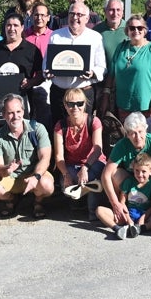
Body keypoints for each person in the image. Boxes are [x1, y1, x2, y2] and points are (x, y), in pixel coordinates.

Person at [0, 94, 56, 218]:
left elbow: (45, 158)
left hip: (33, 174)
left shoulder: (38, 129)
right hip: (11, 177)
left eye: (18, 111)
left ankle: (38, 202)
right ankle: (12, 199)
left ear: (24, 111)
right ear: (3, 115)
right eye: (10, 113)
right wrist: (6, 169)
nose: (15, 116)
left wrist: (35, 176)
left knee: (47, 186)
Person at [101, 112, 151, 228]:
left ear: (146, 130)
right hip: (132, 179)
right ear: (127, 134)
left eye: (140, 132)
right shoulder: (122, 145)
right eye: (133, 133)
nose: (137, 137)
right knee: (114, 173)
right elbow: (105, 175)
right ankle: (122, 209)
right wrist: (115, 203)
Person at [45, 2, 106, 127]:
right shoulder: (55, 36)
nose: (75, 18)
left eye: (79, 14)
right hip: (59, 94)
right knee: (59, 130)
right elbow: (46, 62)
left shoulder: (95, 37)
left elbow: (101, 67)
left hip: (83, 93)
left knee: (83, 131)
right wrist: (48, 71)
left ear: (87, 18)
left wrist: (93, 73)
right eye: (72, 14)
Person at [0, 13, 44, 133]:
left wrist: (30, 82)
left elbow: (41, 75)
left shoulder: (32, 50)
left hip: (24, 101)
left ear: (22, 27)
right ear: (4, 27)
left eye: (15, 25)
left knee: (24, 133)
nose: (12, 29)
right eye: (8, 25)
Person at [53, 88, 106, 218]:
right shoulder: (61, 126)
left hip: (93, 162)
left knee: (92, 176)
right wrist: (66, 174)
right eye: (71, 104)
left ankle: (93, 212)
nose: (75, 107)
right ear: (65, 105)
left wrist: (85, 167)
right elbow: (59, 156)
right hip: (72, 164)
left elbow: (97, 149)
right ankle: (78, 203)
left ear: (85, 104)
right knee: (67, 182)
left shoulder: (94, 121)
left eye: (79, 103)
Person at [105, 14, 151, 118]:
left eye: (140, 28)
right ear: (127, 31)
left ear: (145, 30)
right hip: (123, 106)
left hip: (145, 108)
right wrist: (106, 94)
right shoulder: (121, 47)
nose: (136, 31)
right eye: (132, 28)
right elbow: (111, 74)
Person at [95, 153, 151, 239]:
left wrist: (143, 217)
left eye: (144, 171)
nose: (140, 174)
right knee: (99, 210)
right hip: (128, 214)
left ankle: (140, 228)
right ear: (133, 169)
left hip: (145, 216)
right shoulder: (129, 182)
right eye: (137, 171)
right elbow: (122, 202)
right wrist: (128, 219)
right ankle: (118, 229)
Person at [94, 0, 127, 71]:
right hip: (103, 78)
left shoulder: (131, 29)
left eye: (118, 10)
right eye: (111, 10)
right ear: (105, 11)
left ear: (122, 12)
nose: (115, 13)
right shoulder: (96, 31)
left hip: (124, 76)